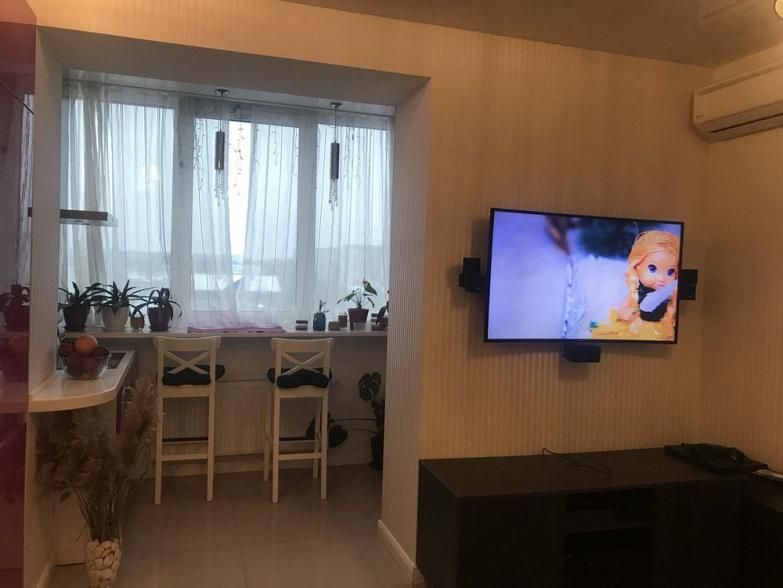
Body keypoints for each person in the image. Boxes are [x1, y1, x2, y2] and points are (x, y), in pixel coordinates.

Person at [590, 230, 680, 341]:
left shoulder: (670, 294)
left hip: (660, 329)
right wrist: (625, 313)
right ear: (637, 266)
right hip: (637, 327)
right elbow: (624, 308)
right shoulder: (636, 292)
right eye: (652, 268)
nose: (662, 278)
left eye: (670, 272)